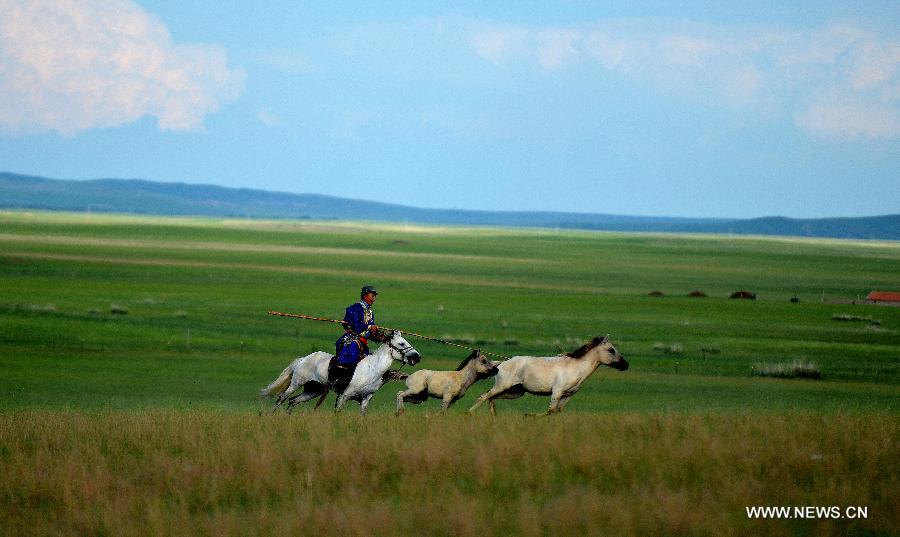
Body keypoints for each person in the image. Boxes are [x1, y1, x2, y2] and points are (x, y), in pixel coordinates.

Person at [330, 285, 379, 392]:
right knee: (351, 355)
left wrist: (377, 334)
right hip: (352, 338)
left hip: (363, 341)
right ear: (365, 296)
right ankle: (338, 380)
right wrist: (371, 328)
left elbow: (370, 330)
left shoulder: (370, 313)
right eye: (372, 296)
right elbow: (357, 326)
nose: (374, 298)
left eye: (375, 296)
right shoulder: (354, 308)